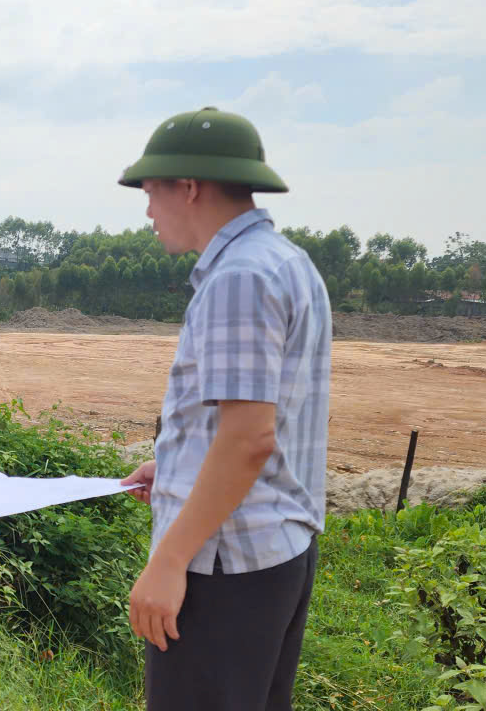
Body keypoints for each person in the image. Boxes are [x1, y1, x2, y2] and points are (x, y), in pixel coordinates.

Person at [116, 107, 331, 710]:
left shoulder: (238, 277)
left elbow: (247, 440)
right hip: (272, 549)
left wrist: (168, 561)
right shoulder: (286, 262)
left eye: (151, 190)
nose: (148, 209)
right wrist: (177, 470)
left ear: (189, 186)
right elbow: (260, 423)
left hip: (223, 564)